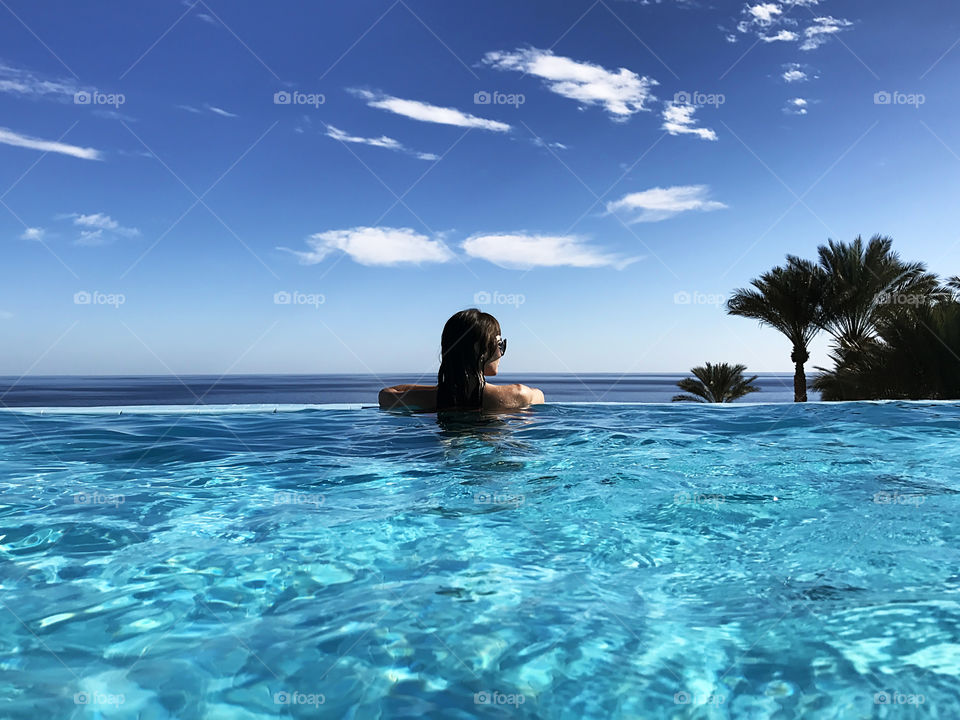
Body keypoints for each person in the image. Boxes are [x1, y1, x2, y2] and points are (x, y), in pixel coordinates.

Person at [378, 308, 545, 412]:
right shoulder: (518, 394)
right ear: (482, 350)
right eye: (500, 344)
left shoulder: (430, 399)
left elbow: (386, 395)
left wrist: (445, 387)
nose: (501, 353)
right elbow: (540, 396)